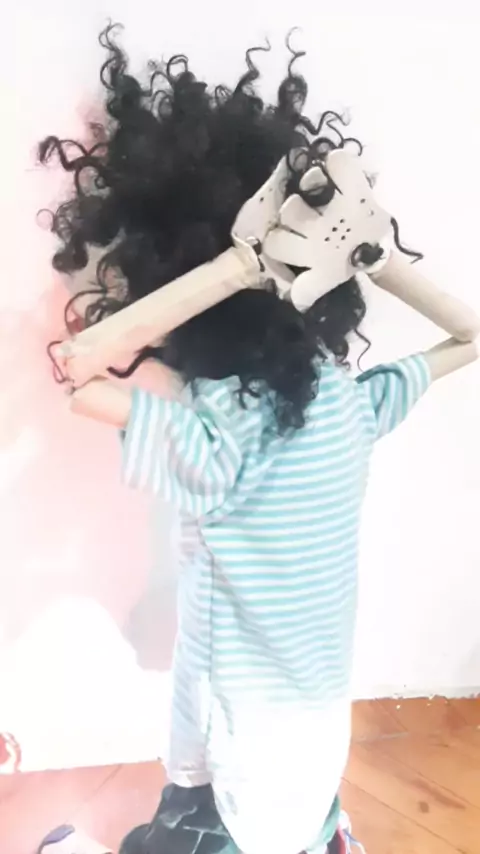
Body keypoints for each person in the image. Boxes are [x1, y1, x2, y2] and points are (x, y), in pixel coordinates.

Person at [38, 24, 478, 854]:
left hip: (238, 752)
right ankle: (323, 838)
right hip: (314, 745)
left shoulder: (216, 441)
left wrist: (239, 266)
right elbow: (470, 336)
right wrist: (372, 256)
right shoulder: (350, 404)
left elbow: (78, 373)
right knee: (255, 809)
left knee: (170, 827)